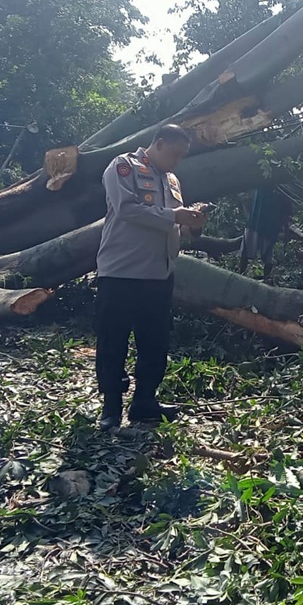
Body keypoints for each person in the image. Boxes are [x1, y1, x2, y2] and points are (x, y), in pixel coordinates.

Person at [94, 124, 207, 432]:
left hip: (159, 273)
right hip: (121, 271)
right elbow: (126, 209)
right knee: (113, 340)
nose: (176, 161)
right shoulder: (123, 167)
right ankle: (111, 407)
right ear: (157, 143)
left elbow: (177, 226)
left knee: (155, 342)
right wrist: (174, 216)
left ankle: (145, 402)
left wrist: (193, 223)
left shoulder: (171, 180)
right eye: (173, 154)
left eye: (181, 156)